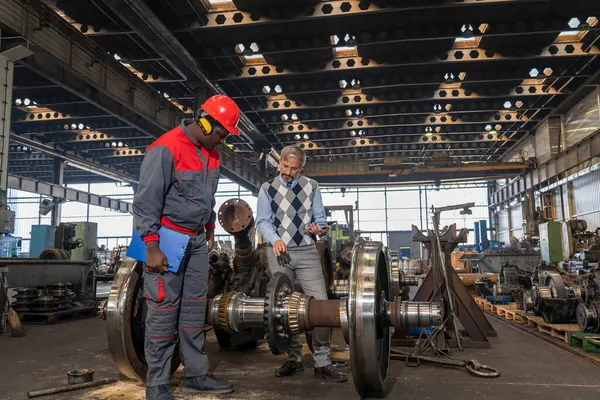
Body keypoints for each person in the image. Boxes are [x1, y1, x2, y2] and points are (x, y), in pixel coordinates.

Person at [132, 94, 240, 400]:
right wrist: (151, 245)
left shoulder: (213, 154)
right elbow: (145, 203)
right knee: (163, 312)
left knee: (194, 311)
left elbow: (208, 197)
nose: (221, 141)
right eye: (221, 133)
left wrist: (208, 229)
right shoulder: (165, 148)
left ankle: (196, 375)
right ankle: (157, 384)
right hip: (166, 238)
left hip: (195, 241)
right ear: (204, 121)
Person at [256, 145, 348, 382]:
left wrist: (319, 227)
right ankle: (294, 357)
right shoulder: (266, 189)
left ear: (301, 168)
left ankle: (322, 360)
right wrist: (275, 239)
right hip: (279, 252)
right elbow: (263, 222)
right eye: (285, 167)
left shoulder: (311, 186)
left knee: (321, 305)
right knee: (283, 307)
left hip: (307, 250)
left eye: (293, 169)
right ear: (280, 164)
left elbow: (319, 218)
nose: (287, 172)